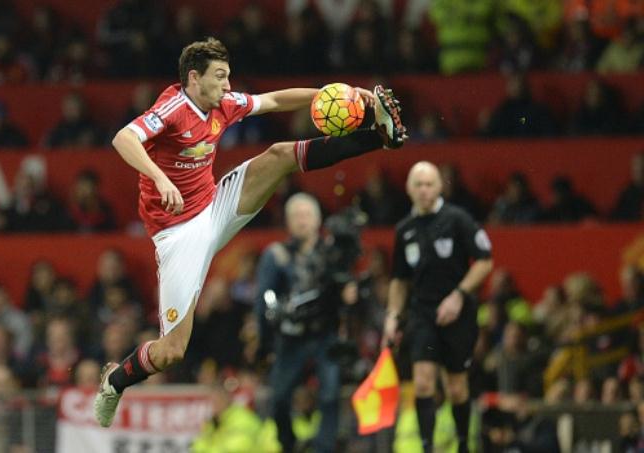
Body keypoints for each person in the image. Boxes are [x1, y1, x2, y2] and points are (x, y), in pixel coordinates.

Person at [94, 37, 407, 427]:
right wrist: (159, 178)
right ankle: (115, 380)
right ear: (194, 78)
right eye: (220, 76)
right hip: (179, 235)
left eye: (229, 76)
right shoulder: (173, 108)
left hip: (214, 207)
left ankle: (378, 135)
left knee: (277, 156)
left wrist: (342, 94)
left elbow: (274, 100)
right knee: (172, 351)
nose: (228, 85)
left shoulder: (222, 105)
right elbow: (123, 138)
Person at [382, 161, 493, 453]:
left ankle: (462, 443)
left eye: (429, 184)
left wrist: (459, 295)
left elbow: (484, 261)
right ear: (409, 189)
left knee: (456, 386)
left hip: (458, 312)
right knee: (422, 384)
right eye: (418, 184)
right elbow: (399, 279)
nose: (423, 190)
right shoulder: (404, 229)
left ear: (439, 186)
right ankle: (427, 446)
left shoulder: (457, 219)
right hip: (421, 313)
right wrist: (393, 315)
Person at [254, 193, 357, 453]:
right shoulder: (275, 255)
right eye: (296, 216)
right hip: (290, 336)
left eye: (307, 215)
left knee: (330, 394)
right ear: (287, 222)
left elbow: (348, 289)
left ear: (318, 219)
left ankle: (324, 448)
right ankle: (288, 443)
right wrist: (265, 342)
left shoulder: (333, 253)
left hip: (326, 333)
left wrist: (349, 293)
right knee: (279, 398)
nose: (302, 221)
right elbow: (262, 300)